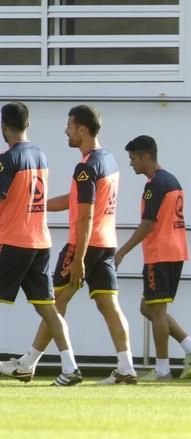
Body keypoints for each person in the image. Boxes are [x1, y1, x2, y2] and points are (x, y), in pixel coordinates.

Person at [3, 105, 138, 385]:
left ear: (82, 129)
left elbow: (86, 214)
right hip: (106, 243)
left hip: (83, 245)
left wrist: (78, 258)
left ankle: (37, 363)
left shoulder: (86, 167)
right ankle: (126, 367)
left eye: (70, 126)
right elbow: (77, 200)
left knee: (55, 303)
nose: (66, 130)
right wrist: (36, 207)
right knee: (107, 305)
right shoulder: (108, 160)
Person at [0, 102, 82, 386]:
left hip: (13, 241)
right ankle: (70, 367)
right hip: (40, 242)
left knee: (48, 307)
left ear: (4, 127)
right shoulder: (40, 155)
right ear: (28, 125)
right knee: (48, 307)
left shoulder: (7, 159)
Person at [114, 135, 191, 381]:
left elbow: (147, 225)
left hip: (160, 254)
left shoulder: (154, 184)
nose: (131, 163)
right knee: (149, 307)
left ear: (146, 156)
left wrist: (121, 252)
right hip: (174, 252)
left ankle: (163, 370)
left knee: (155, 311)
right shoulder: (171, 179)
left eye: (133, 158)